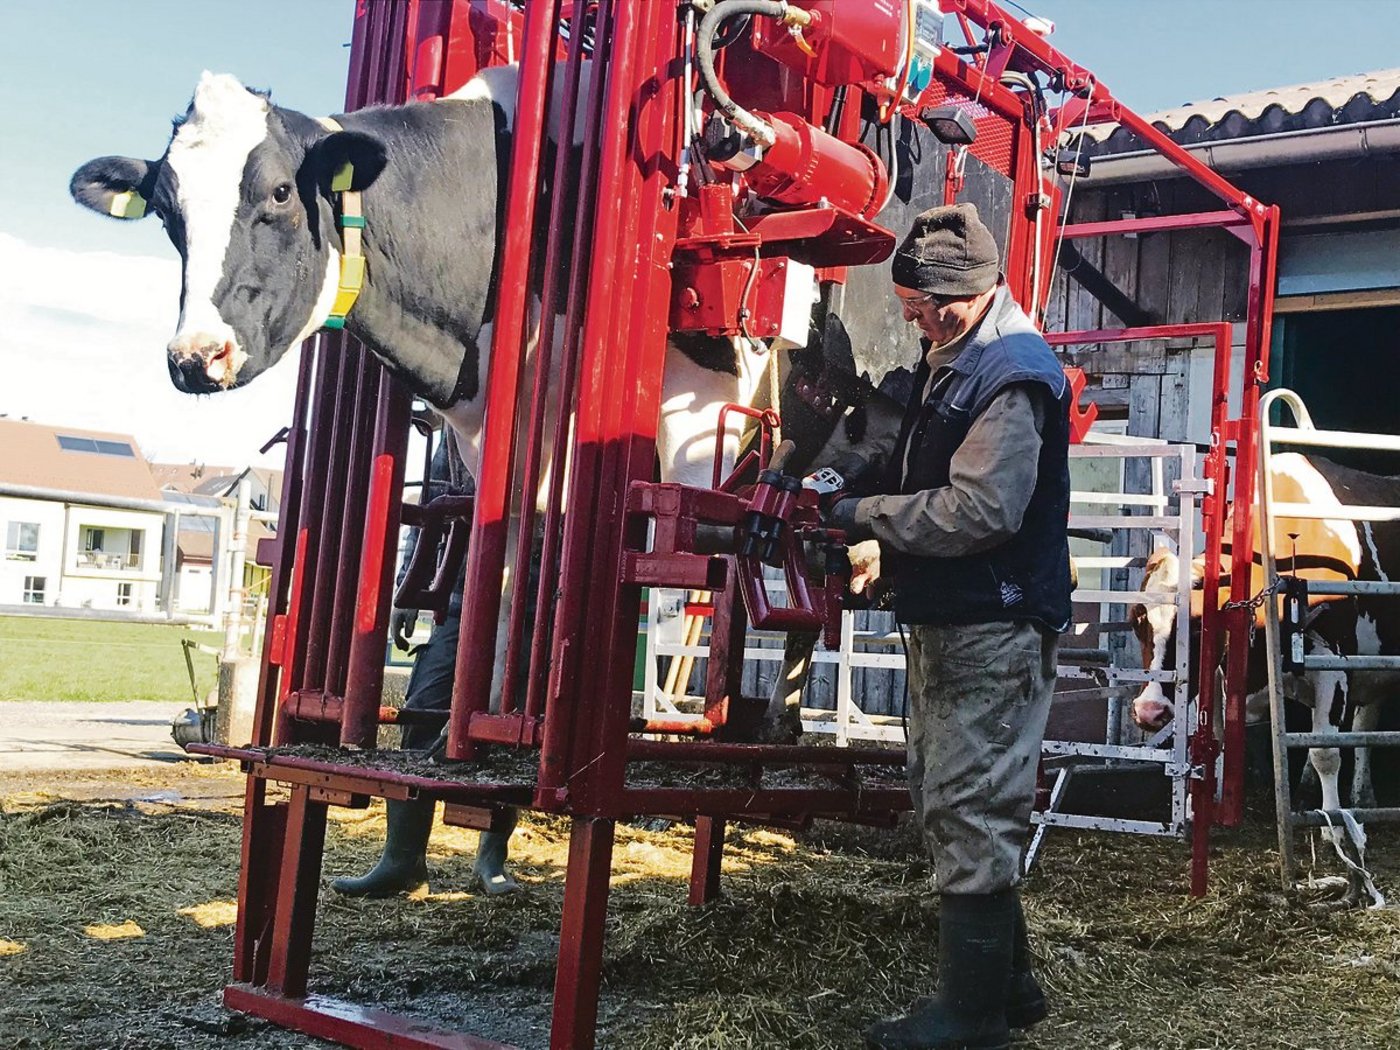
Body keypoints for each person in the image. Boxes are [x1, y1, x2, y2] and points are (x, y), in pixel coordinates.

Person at [821, 203, 1071, 1050]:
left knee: (970, 803)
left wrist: (862, 513)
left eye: (931, 304)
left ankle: (971, 1022)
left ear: (979, 288)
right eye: (908, 304)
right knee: (951, 798)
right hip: (955, 616)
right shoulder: (952, 360)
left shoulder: (1011, 373)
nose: (916, 318)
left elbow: (982, 509)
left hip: (991, 623)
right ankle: (1013, 988)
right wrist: (885, 556)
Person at [331, 431, 519, 898]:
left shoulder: (541, 423)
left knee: (508, 725)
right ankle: (403, 861)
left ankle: (491, 859)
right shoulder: (454, 437)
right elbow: (426, 519)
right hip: (460, 597)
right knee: (423, 707)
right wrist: (406, 592)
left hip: (525, 598)